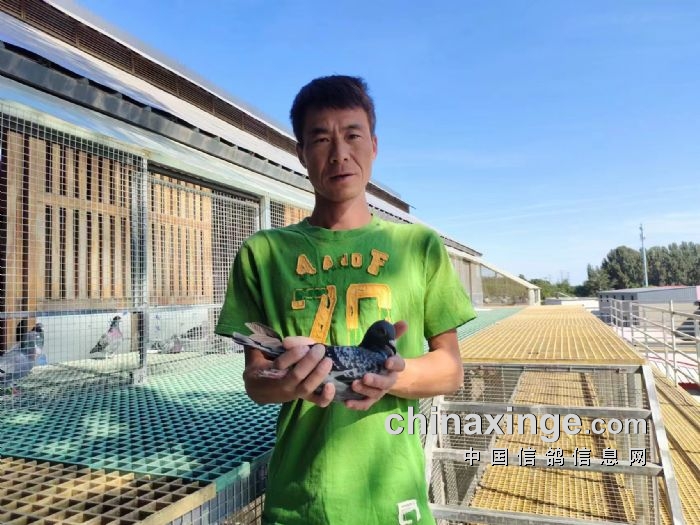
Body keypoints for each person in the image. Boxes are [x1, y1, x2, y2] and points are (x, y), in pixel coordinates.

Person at [215, 75, 476, 525]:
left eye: (352, 135)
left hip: (394, 499)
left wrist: (390, 376)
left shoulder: (419, 246)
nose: (339, 154)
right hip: (299, 503)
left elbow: (450, 370)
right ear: (301, 153)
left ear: (373, 145)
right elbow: (256, 379)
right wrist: (292, 381)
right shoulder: (264, 252)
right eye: (321, 139)